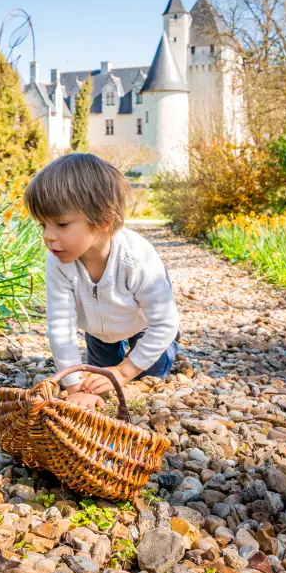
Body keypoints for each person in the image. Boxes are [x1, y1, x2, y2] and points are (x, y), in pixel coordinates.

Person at [24, 152, 180, 409]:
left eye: (61, 224)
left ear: (104, 221)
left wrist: (124, 371)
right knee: (93, 379)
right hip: (98, 330)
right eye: (43, 225)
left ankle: (168, 346)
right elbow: (60, 326)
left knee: (152, 370)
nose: (49, 237)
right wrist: (74, 386)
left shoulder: (137, 259)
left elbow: (163, 322)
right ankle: (113, 349)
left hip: (139, 321)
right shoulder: (58, 261)